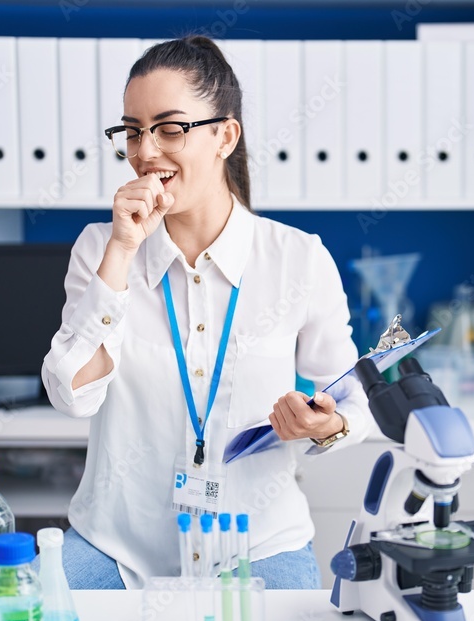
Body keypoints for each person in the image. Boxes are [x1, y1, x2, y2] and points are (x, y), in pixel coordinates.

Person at [41, 36, 373, 591]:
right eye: (132, 130)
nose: (146, 151)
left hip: (259, 543)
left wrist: (327, 424)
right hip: (117, 548)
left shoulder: (299, 258)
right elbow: (72, 396)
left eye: (170, 128)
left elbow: (354, 400)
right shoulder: (100, 249)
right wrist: (121, 254)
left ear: (225, 135)